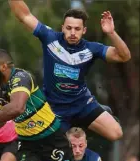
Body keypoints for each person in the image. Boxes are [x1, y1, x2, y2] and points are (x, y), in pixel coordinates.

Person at [8, 1, 130, 138]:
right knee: (56, 151)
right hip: (54, 110)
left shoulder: (92, 49)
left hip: (82, 104)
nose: (72, 33)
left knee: (116, 134)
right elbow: (23, 16)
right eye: (69, 28)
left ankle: (89, 118)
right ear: (63, 28)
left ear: (84, 30)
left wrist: (111, 33)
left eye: (77, 29)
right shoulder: (50, 38)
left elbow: (124, 56)